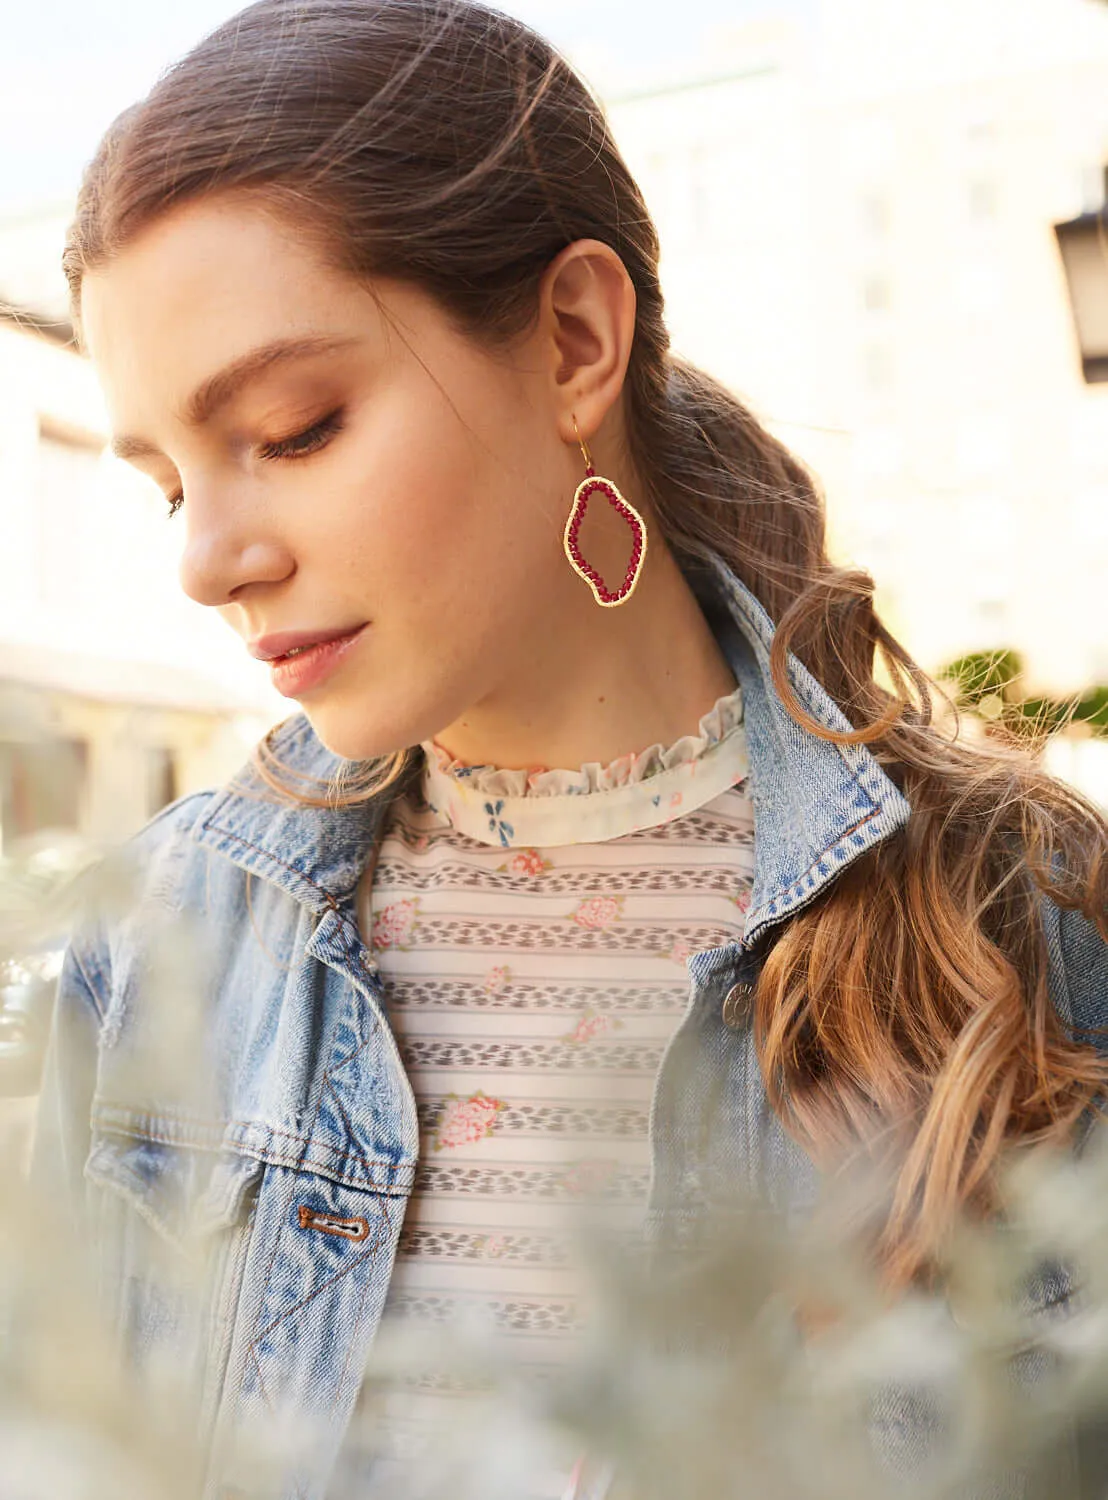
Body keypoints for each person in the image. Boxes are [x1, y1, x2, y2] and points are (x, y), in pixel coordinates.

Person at [31, 1, 1108, 1497]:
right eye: (167, 485)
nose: (207, 561)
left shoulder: (1025, 921)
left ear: (576, 340)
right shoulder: (161, 944)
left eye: (292, 428)